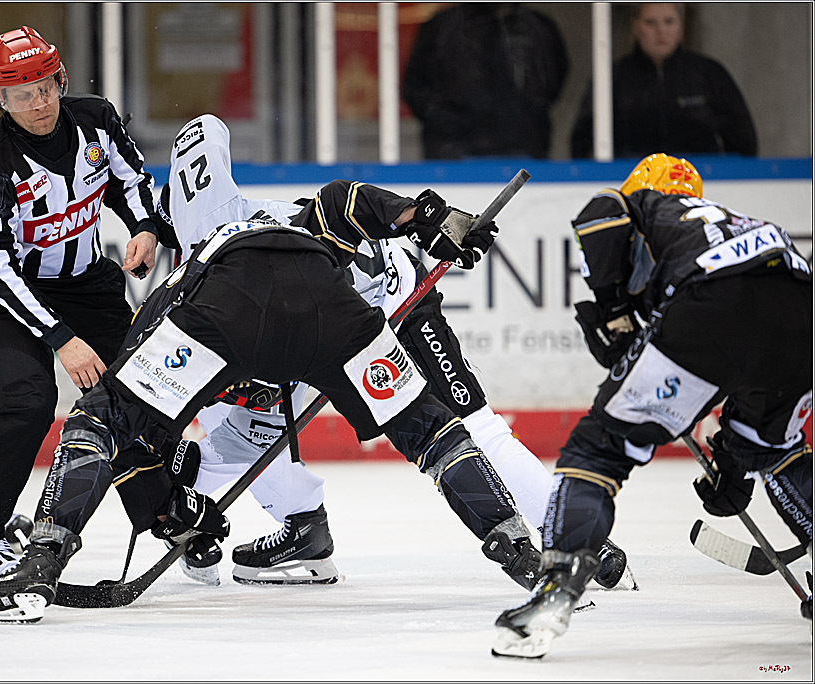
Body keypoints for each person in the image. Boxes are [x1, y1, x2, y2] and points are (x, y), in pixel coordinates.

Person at [0, 158, 548, 623]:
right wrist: (435, 220)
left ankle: (39, 566)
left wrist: (164, 496)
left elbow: (133, 413)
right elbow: (354, 199)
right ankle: (524, 552)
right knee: (433, 430)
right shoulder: (300, 214)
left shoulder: (197, 260)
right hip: (331, 313)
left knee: (97, 419)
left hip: (226, 310)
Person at [156, 114, 636, 592]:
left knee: (473, 426)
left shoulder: (228, 249)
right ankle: (300, 528)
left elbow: (344, 201)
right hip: (329, 323)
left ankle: (580, 537)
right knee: (236, 422)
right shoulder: (217, 239)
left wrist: (428, 218)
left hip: (395, 301)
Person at [492, 153, 813, 658]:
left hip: (710, 300)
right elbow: (747, 348)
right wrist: (733, 463)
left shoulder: (645, 205)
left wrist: (614, 312)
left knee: (598, 448)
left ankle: (557, 588)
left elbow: (601, 211)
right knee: (775, 446)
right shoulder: (731, 223)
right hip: (802, 311)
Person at [0, 26, 159, 587]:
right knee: (29, 401)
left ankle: (166, 515)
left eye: (47, 87)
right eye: (24, 94)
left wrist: (143, 226)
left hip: (88, 283)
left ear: (59, 79)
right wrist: (61, 338)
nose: (40, 103)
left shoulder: (95, 118)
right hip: (10, 299)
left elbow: (129, 179)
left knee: (138, 392)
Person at [570, 3, 757, 159]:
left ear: (680, 26)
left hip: (697, 184)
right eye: (650, 23)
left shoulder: (709, 73)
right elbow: (582, 140)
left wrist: (730, 180)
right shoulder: (613, 77)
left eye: (669, 22)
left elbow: (743, 139)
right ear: (635, 26)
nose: (661, 31)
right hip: (633, 186)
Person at [402, 3, 568, 159]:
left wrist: (531, 112)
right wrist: (444, 121)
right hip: (452, 155)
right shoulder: (442, 26)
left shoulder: (537, 27)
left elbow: (554, 77)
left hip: (525, 148)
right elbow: (414, 85)